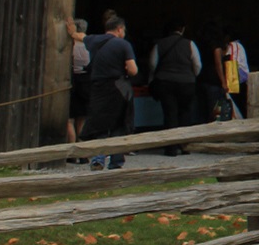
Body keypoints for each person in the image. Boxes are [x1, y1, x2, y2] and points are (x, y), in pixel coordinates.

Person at [80, 16, 139, 170]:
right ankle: (116, 161)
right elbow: (133, 70)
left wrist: (72, 31)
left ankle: (98, 158)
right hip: (117, 88)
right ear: (119, 29)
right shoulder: (123, 45)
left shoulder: (93, 40)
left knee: (100, 124)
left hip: (98, 88)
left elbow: (81, 37)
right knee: (119, 124)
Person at [147, 19, 200, 154]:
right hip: (186, 83)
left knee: (170, 114)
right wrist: (191, 75)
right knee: (185, 113)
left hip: (165, 82)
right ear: (182, 29)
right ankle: (184, 146)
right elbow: (197, 65)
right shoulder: (190, 44)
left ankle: (171, 148)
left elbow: (152, 64)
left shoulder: (160, 44)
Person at [63, 18, 91, 146]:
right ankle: (82, 152)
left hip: (73, 81)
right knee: (82, 118)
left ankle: (71, 150)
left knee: (69, 120)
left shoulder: (70, 45)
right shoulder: (90, 45)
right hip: (86, 82)